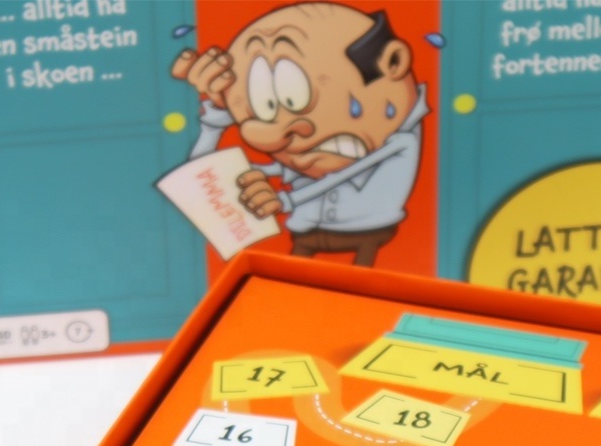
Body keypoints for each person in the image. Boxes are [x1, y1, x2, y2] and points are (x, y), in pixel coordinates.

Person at [171, 3, 429, 266]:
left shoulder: (401, 142)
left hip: (368, 231)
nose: (274, 135)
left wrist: (286, 201)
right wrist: (217, 117)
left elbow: (341, 175)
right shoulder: (302, 156)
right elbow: (202, 170)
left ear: (393, 63)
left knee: (366, 283)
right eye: (265, 108)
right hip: (307, 231)